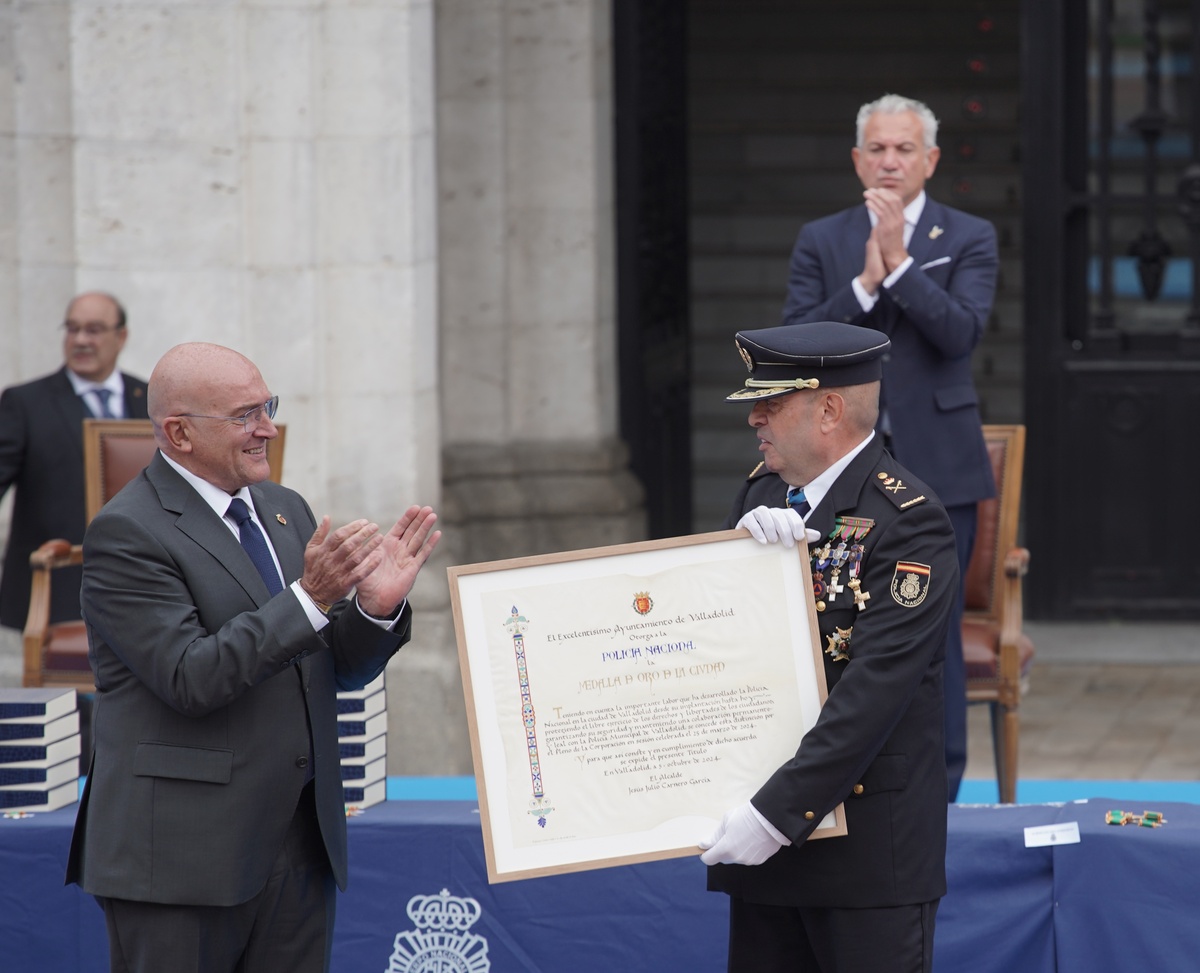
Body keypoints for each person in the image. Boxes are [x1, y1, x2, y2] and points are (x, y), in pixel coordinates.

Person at [65, 342, 441, 973]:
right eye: (244, 415)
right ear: (179, 433)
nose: (267, 426)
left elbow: (326, 668)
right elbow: (192, 676)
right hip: (183, 861)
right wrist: (312, 597)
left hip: (297, 842)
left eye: (267, 405)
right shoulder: (126, 532)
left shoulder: (283, 511)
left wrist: (372, 611)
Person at [700, 322, 958, 973]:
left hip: (864, 862)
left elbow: (872, 694)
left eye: (772, 402)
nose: (754, 416)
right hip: (767, 854)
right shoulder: (762, 494)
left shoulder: (912, 521)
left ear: (830, 409)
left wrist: (773, 816)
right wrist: (734, 563)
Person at [780, 93, 997, 800]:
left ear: (930, 159)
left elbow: (961, 334)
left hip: (940, 467)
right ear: (856, 160)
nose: (891, 160)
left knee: (934, 628)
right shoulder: (824, 238)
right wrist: (867, 282)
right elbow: (795, 349)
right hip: (839, 466)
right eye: (877, 148)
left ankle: (943, 787)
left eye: (905, 149)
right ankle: (840, 779)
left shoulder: (969, 236)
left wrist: (903, 265)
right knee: (835, 623)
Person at [0, 291, 149, 637]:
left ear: (121, 336)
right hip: (57, 587)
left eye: (94, 329)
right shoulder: (26, 402)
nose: (81, 340)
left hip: (139, 589)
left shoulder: (150, 398)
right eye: (72, 329)